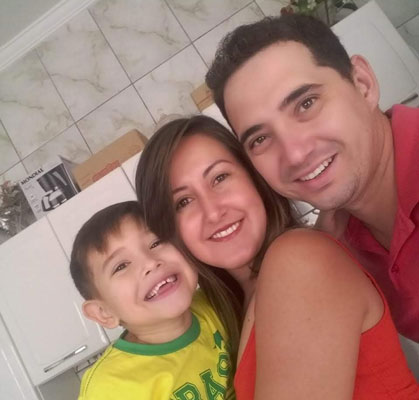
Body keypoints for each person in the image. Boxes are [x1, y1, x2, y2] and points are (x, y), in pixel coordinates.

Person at [135, 114, 419, 399]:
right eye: (183, 202)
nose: (212, 212)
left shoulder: (298, 260)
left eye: (220, 177)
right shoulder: (233, 311)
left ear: (255, 178)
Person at [204, 14, 419, 343]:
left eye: (306, 104)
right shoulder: (340, 245)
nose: (294, 154)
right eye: (260, 139)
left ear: (362, 84)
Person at [69, 201, 237, 400]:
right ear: (104, 313)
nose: (150, 262)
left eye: (156, 243)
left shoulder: (219, 300)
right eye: (121, 266)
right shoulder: (110, 388)